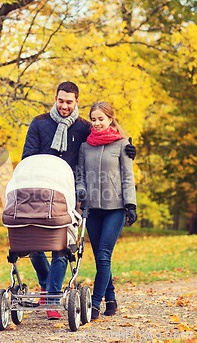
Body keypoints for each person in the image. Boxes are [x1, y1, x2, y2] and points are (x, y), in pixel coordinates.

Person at [22, 82, 136, 319]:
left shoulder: (83, 128)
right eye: (61, 100)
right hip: (41, 191)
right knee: (33, 246)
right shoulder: (39, 123)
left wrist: (129, 151)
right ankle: (46, 284)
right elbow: (27, 157)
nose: (64, 106)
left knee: (64, 247)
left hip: (70, 196)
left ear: (76, 102)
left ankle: (54, 297)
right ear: (55, 98)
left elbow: (105, 136)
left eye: (69, 102)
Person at [75, 101, 137, 321]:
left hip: (116, 208)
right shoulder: (85, 146)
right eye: (93, 119)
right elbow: (79, 175)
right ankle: (111, 299)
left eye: (101, 118)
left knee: (103, 255)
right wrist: (81, 191)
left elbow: (128, 176)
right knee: (101, 258)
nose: (97, 123)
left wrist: (131, 204)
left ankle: (94, 304)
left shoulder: (122, 145)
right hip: (92, 209)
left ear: (110, 119)